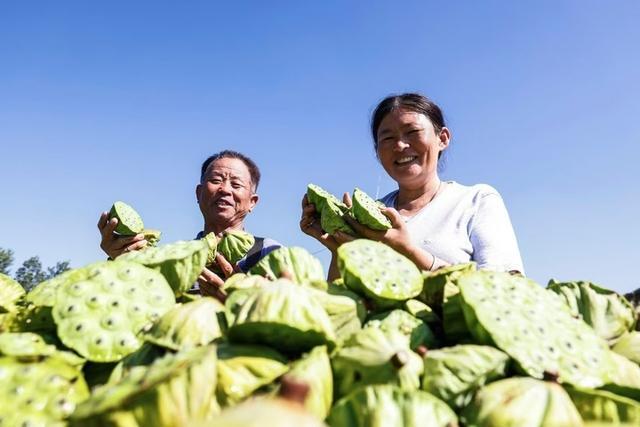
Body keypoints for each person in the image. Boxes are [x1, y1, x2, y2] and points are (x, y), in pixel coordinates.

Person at [300, 93, 523, 280]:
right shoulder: (368, 215)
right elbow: (342, 301)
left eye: (412, 132)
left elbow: (506, 286)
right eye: (387, 138)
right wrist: (341, 248)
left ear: (442, 138)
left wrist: (409, 252)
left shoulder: (475, 200)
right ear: (377, 151)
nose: (400, 145)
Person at [98, 150, 281, 298]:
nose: (225, 189)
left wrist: (239, 304)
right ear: (198, 193)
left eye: (236, 184)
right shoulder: (174, 259)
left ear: (252, 202)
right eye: (216, 180)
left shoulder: (270, 253)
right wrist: (120, 262)